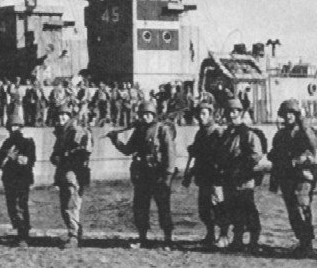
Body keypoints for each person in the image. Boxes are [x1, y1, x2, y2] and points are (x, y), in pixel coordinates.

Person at [108, 101, 175, 249]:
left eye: (148, 114)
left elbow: (170, 154)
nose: (145, 117)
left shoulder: (162, 130)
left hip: (158, 176)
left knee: (163, 207)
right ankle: (143, 238)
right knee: (140, 207)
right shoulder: (139, 131)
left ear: (153, 115)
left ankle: (168, 240)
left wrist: (167, 177)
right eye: (143, 114)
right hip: (143, 176)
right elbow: (128, 150)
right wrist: (115, 140)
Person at [267, 99, 317, 257]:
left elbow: (313, 147)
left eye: (292, 113)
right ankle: (302, 241)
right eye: (285, 113)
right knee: (292, 210)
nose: (288, 116)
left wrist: (304, 124)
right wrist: (274, 181)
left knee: (302, 205)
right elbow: (275, 157)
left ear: (297, 115)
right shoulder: (280, 135)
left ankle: (307, 243)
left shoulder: (305, 131)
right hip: (287, 176)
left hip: (303, 175)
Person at [215, 98, 264, 253]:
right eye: (229, 112)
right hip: (230, 178)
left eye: (234, 112)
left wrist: (242, 168)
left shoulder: (248, 133)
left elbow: (256, 154)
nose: (231, 115)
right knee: (233, 209)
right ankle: (237, 240)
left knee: (248, 209)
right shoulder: (227, 133)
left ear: (240, 113)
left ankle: (254, 241)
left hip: (244, 178)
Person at [182, 102, 224, 247]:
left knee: (218, 207)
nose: (201, 117)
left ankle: (223, 235)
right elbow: (198, 157)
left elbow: (221, 155)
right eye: (199, 114)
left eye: (204, 114)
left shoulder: (217, 132)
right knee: (205, 209)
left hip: (215, 176)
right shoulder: (200, 133)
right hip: (203, 176)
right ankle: (210, 234)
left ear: (211, 115)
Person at [50, 103, 92, 248]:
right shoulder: (62, 133)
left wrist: (65, 156)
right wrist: (56, 157)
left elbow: (83, 153)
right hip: (64, 173)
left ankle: (74, 236)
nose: (61, 118)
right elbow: (55, 154)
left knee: (71, 205)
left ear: (69, 116)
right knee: (65, 206)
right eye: (59, 115)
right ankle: (75, 232)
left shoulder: (76, 131)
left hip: (74, 174)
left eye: (64, 115)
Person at [0, 111, 36, 247]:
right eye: (11, 127)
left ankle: (24, 235)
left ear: (20, 127)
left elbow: (28, 161)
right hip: (9, 179)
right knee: (12, 207)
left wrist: (14, 157)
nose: (14, 129)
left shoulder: (27, 143)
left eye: (16, 126)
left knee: (20, 206)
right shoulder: (7, 143)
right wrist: (7, 157)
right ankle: (20, 232)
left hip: (22, 179)